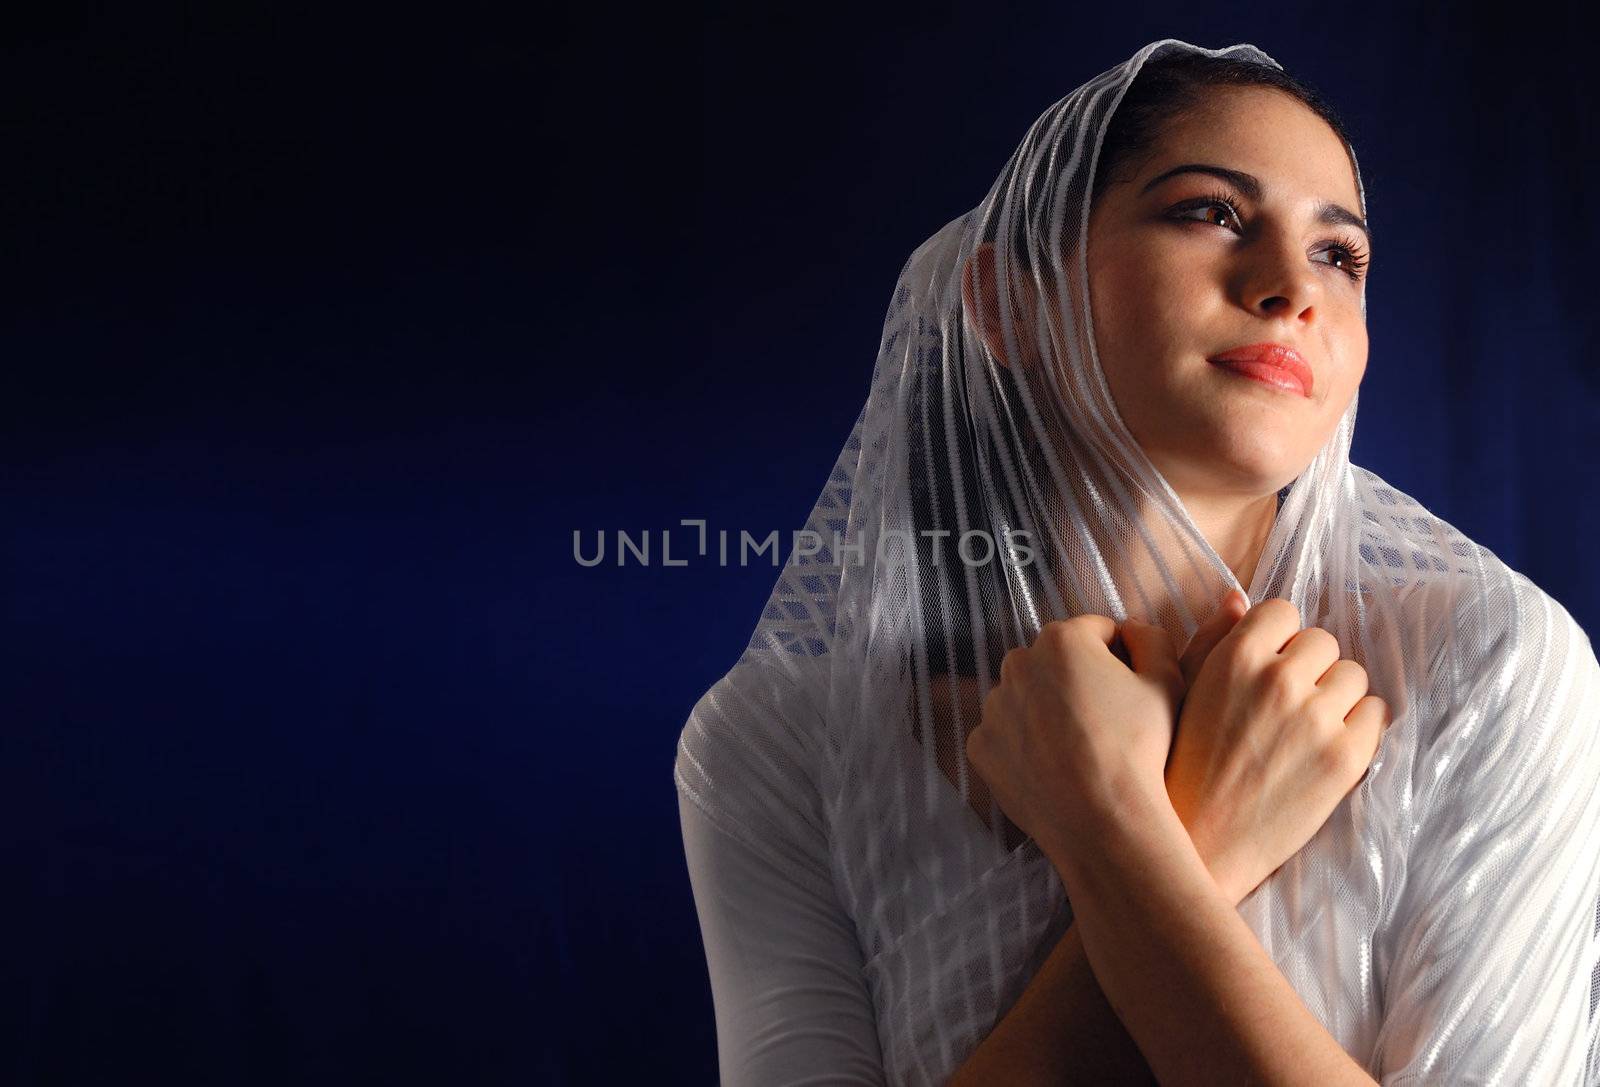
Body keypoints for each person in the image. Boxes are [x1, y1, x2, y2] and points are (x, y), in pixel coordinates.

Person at [675, 38, 1600, 1085]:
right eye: (1210, 212)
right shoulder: (782, 748)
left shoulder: (1486, 668)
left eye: (1340, 255)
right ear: (1008, 304)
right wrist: (1207, 839)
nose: (1292, 285)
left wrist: (1115, 830)